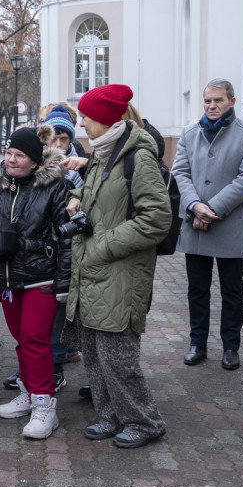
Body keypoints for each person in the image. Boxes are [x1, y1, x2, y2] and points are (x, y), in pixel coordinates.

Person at [64, 83, 172, 448]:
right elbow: (99, 193)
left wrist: (105, 243)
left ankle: (144, 422)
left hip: (119, 271)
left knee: (118, 359)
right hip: (92, 270)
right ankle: (109, 416)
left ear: (105, 118)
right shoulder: (102, 151)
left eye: (85, 117)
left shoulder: (137, 157)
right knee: (94, 355)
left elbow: (156, 218)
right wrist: (76, 197)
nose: (81, 124)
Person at [0, 125, 71, 439]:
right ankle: (28, 393)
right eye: (9, 153)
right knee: (21, 339)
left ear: (35, 161)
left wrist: (64, 282)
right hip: (8, 279)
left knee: (35, 339)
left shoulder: (54, 187)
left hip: (42, 277)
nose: (11, 160)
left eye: (20, 156)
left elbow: (67, 237)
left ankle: (44, 406)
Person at [172, 78, 243, 371]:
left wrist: (211, 208)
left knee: (232, 291)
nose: (212, 106)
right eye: (208, 101)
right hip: (195, 224)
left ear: (232, 102)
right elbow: (180, 173)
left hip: (229, 225)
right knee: (197, 289)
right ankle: (197, 344)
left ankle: (230, 347)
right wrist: (195, 206)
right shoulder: (189, 133)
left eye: (218, 100)